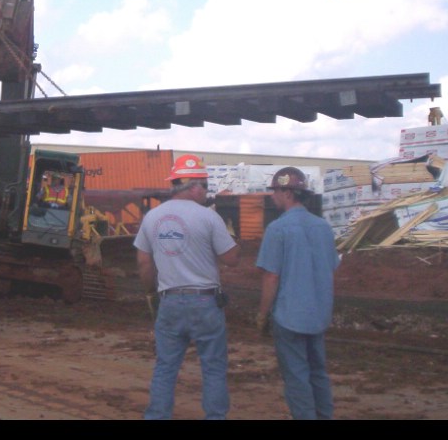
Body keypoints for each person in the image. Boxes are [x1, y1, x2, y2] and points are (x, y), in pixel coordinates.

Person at [133, 154, 240, 420]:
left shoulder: (152, 217)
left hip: (169, 301)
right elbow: (231, 259)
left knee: (166, 366)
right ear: (192, 185)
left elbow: (143, 262)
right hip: (205, 302)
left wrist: (150, 294)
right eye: (204, 185)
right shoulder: (209, 217)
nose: (206, 190)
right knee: (213, 367)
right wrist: (230, 234)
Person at [256, 167, 340, 420]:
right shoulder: (323, 227)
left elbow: (271, 276)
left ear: (288, 192)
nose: (272, 196)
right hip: (318, 314)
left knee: (296, 376)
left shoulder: (277, 229)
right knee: (318, 372)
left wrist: (262, 314)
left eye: (275, 191)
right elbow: (331, 266)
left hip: (289, 316)